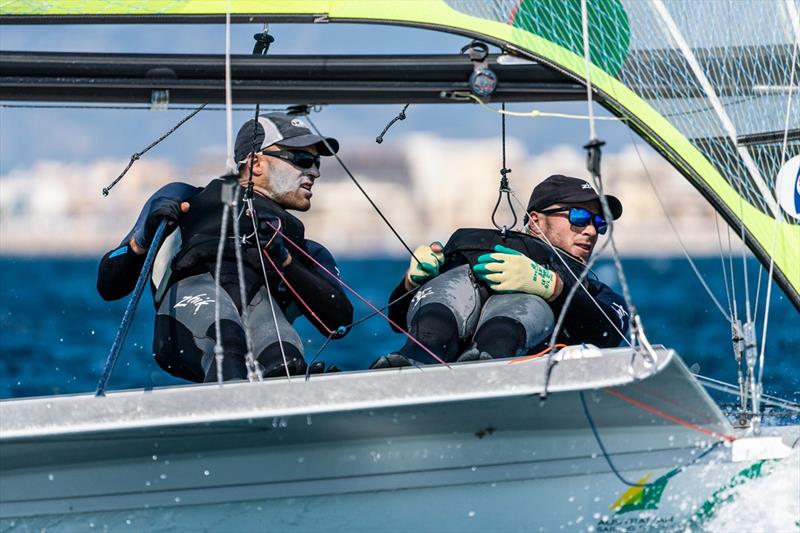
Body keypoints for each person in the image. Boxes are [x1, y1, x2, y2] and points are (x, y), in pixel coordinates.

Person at [97, 113, 353, 382]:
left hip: (260, 316)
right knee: (228, 344)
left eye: (316, 162)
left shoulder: (302, 247)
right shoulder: (184, 199)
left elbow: (339, 324)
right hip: (190, 320)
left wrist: (285, 260)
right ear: (255, 164)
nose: (315, 171)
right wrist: (143, 240)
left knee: (284, 360)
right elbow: (108, 285)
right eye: (303, 160)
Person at [373, 174, 629, 368]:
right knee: (443, 306)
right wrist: (410, 283)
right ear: (536, 221)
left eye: (599, 222)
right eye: (580, 217)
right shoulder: (468, 252)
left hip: (507, 373)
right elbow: (397, 320)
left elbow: (610, 332)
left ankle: (488, 359)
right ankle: (408, 364)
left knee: (515, 313)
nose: (592, 231)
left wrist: (552, 287)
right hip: (432, 352)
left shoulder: (593, 290)